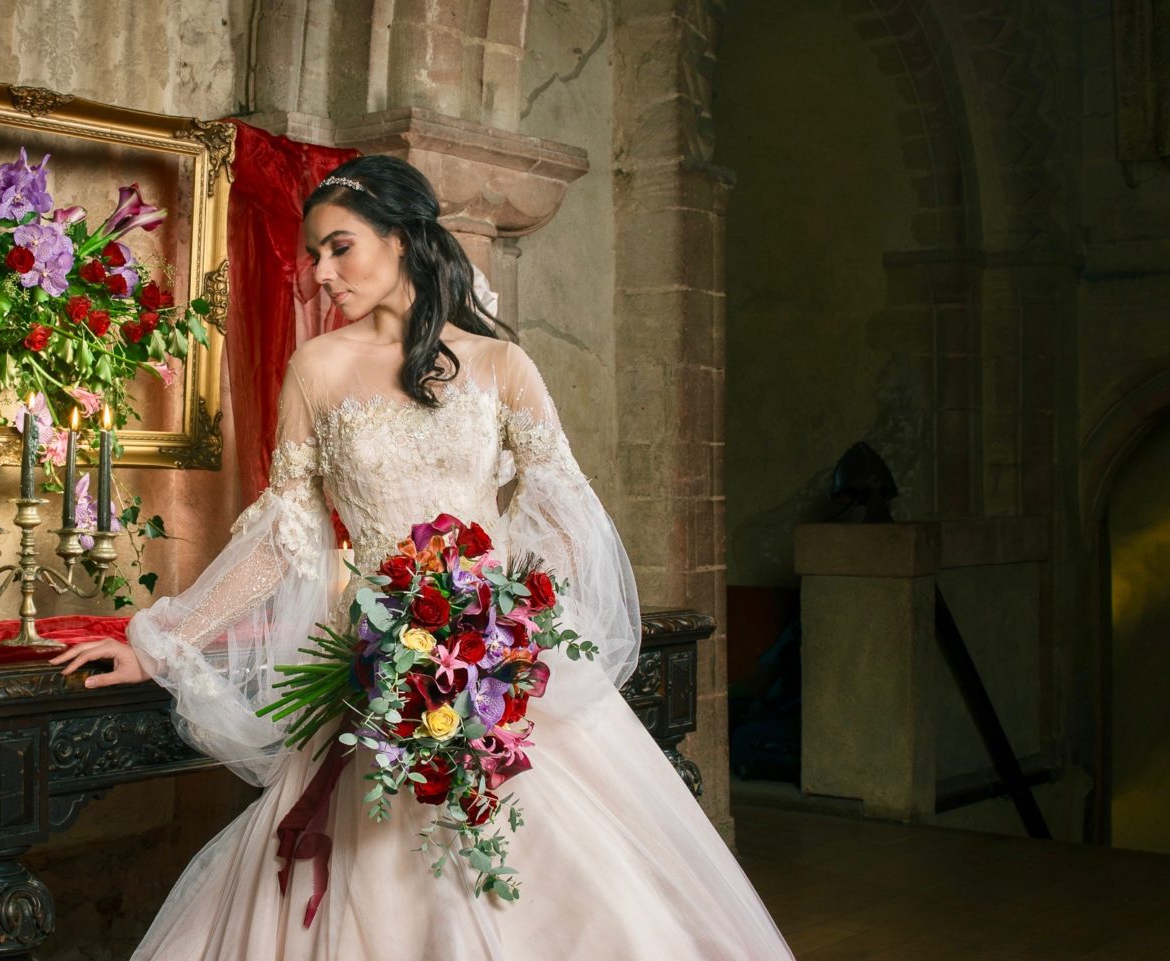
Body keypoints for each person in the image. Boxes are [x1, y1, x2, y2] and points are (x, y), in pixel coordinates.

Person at [50, 155, 793, 960]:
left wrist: (510, 626)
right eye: (314, 256)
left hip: (499, 677)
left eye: (342, 247)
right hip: (372, 680)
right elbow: (281, 536)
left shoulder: (502, 366)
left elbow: (570, 518)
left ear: (402, 238)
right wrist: (159, 642)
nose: (322, 273)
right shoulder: (318, 369)